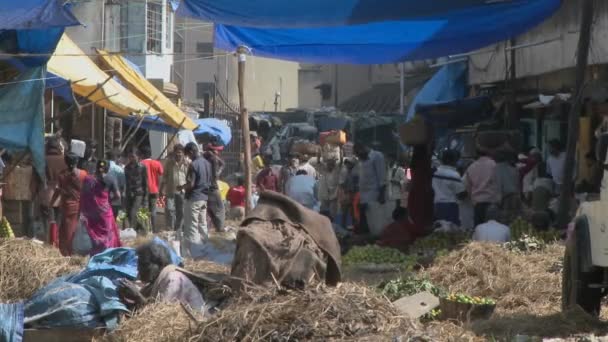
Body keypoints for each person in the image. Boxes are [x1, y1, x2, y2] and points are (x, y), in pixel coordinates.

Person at [118, 241, 205, 312]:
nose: (138, 269)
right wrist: (125, 300)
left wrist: (137, 296)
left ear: (155, 265)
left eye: (142, 265)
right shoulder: (156, 282)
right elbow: (145, 309)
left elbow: (161, 315)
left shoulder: (173, 279)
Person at [80, 160, 122, 255]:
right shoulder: (111, 178)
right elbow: (118, 195)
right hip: (105, 211)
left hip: (92, 211)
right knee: (108, 232)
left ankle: (96, 252)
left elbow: (84, 194)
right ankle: (107, 252)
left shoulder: (88, 179)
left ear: (96, 167)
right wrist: (109, 201)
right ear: (108, 169)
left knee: (94, 231)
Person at [51, 153, 86, 256]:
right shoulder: (83, 174)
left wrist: (52, 202)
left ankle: (67, 251)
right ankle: (73, 251)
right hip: (80, 205)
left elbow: (57, 190)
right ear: (77, 162)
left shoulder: (62, 175)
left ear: (65, 162)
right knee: (75, 228)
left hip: (66, 206)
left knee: (66, 229)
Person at [183, 142, 213, 257]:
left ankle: (195, 251)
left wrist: (181, 187)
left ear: (191, 152)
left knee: (192, 226)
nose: (188, 158)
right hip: (204, 197)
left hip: (194, 198)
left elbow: (191, 184)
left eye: (188, 155)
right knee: (203, 224)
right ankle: (205, 247)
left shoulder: (193, 164)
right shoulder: (207, 163)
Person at [354, 142, 387, 236]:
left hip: (374, 195)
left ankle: (374, 239)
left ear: (363, 149)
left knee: (373, 222)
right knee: (364, 221)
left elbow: (382, 178)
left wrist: (381, 195)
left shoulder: (377, 156)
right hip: (363, 196)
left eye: (358, 154)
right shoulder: (361, 160)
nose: (358, 157)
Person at [463, 149, 500, 227]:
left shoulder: (471, 167)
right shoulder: (494, 165)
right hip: (492, 203)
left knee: (479, 230)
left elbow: (467, 186)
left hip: (477, 204)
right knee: (493, 229)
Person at [41, 137, 67, 240]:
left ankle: (48, 240)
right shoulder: (64, 160)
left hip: (46, 193)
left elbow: (38, 176)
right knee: (59, 219)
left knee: (48, 219)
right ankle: (58, 240)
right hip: (61, 193)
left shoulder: (43, 159)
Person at [432, 149, 466, 226]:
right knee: (451, 231)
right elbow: (461, 195)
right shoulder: (454, 175)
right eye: (456, 159)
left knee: (438, 230)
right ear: (451, 160)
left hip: (435, 205)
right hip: (450, 207)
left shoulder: (435, 172)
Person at [161, 144, 190, 231]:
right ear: (174, 153)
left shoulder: (187, 163)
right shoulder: (169, 163)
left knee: (181, 211)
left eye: (180, 153)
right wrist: (161, 189)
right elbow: (164, 177)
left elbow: (190, 178)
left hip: (183, 192)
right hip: (170, 190)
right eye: (176, 152)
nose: (178, 154)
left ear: (183, 153)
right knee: (169, 210)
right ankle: (170, 228)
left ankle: (178, 230)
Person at [124, 147, 149, 234]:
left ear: (138, 157)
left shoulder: (142, 167)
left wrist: (145, 198)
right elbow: (126, 182)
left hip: (139, 193)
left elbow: (145, 183)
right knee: (129, 214)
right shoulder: (126, 168)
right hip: (129, 194)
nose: (131, 158)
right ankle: (139, 230)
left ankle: (133, 232)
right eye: (130, 156)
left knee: (134, 212)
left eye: (133, 156)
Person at [203, 143, 226, 232]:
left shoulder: (203, 158)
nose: (218, 153)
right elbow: (215, 175)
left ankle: (211, 228)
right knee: (220, 209)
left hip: (204, 188)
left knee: (210, 210)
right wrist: (220, 170)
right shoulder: (213, 160)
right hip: (212, 187)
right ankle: (220, 228)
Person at [140, 146, 164, 232]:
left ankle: (146, 229)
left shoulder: (141, 163)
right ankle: (154, 229)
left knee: (144, 210)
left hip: (144, 191)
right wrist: (159, 187)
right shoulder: (157, 163)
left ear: (142, 154)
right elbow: (161, 175)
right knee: (153, 210)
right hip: (155, 190)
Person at [494, 150, 521, 224]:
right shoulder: (515, 169)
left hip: (505, 198)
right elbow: (518, 184)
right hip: (515, 196)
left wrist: (498, 200)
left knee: (505, 219)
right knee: (514, 220)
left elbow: (499, 184)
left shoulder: (498, 167)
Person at [339, 158, 359, 229]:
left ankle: (353, 226)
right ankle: (343, 227)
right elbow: (342, 184)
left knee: (352, 212)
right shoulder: (344, 171)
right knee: (346, 212)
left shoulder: (349, 171)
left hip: (349, 193)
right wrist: (347, 192)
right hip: (346, 194)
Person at [107, 149, 126, 219]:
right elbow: (122, 185)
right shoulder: (119, 169)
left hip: (102, 197)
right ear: (116, 158)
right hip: (115, 197)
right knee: (113, 218)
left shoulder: (102, 167)